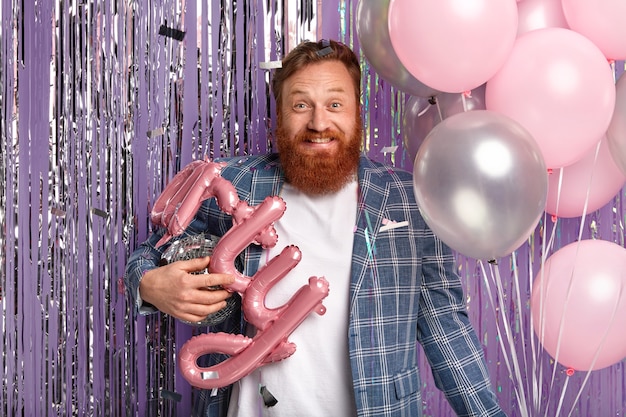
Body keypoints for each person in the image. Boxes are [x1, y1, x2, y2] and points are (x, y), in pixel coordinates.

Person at [125, 39, 506, 417]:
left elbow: (447, 334)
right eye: (301, 105)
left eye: (335, 105)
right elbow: (150, 252)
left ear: (357, 112)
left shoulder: (409, 198)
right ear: (280, 114)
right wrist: (149, 285)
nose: (319, 123)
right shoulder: (234, 183)